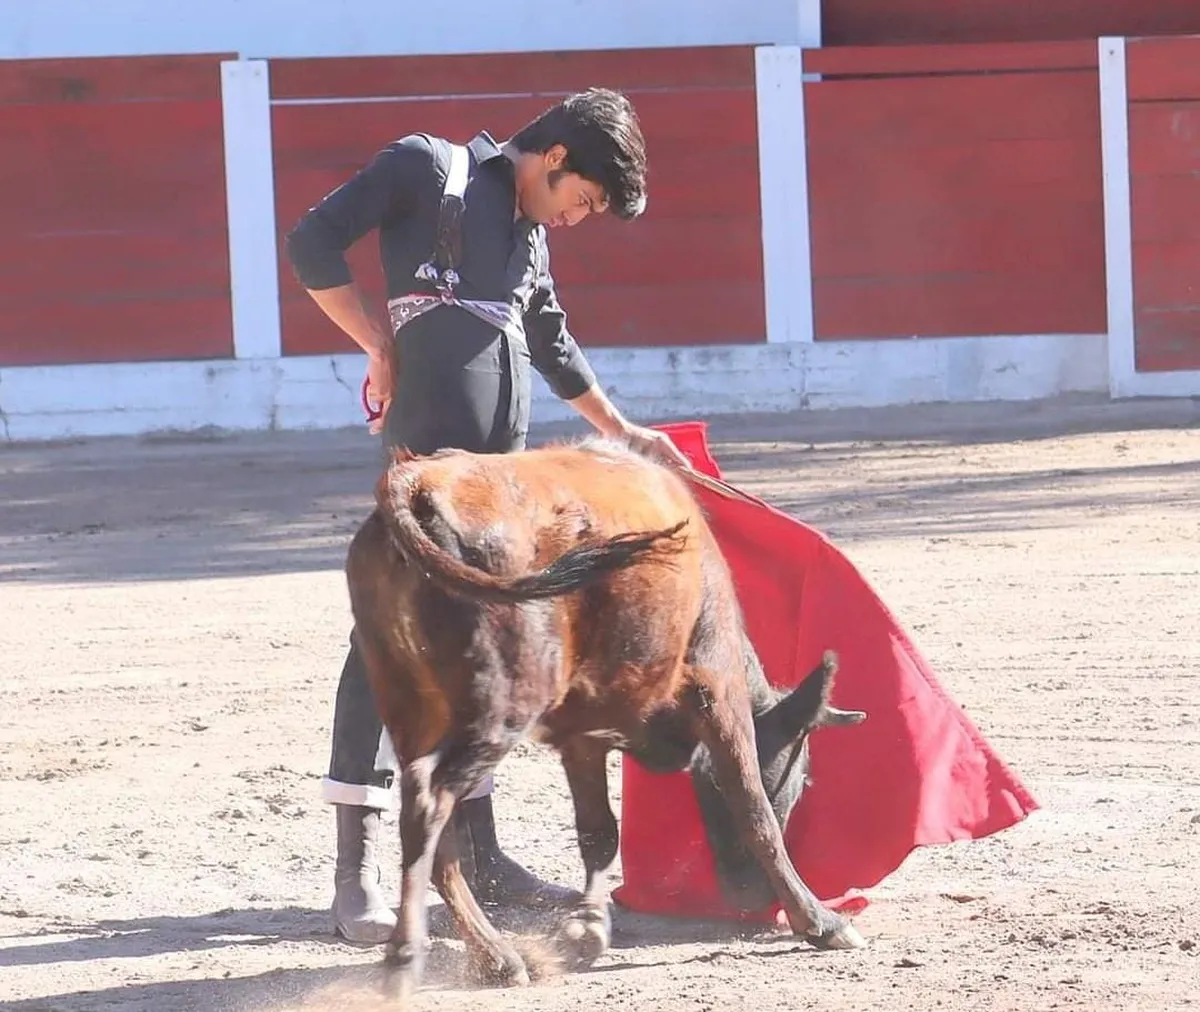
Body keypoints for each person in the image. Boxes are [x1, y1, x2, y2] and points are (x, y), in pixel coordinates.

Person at [283, 87, 693, 945]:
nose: (576, 219)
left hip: (499, 493)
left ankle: (479, 852)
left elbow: (549, 340)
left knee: (487, 652)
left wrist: (621, 433)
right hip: (424, 477)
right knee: (381, 644)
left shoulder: (530, 234)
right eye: (580, 199)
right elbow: (312, 239)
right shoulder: (428, 169)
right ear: (553, 159)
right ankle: (351, 872)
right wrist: (374, 342)